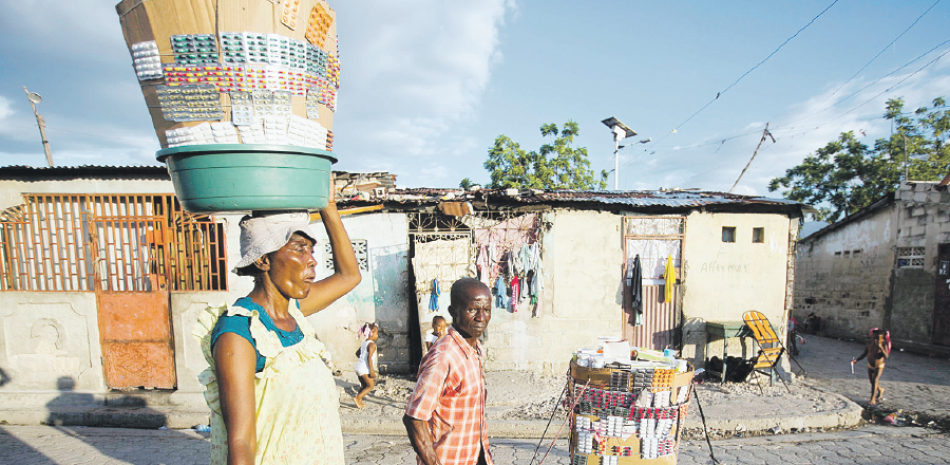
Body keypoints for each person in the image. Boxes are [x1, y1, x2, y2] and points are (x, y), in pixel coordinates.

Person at [193, 191, 361, 465]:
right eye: (298, 248)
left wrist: (329, 206)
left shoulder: (293, 312)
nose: (312, 259)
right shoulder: (240, 332)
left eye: (311, 249)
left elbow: (349, 275)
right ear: (263, 260)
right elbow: (241, 442)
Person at [403, 278, 493, 465]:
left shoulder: (473, 350)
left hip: (474, 454)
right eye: (472, 310)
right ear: (453, 312)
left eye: (486, 310)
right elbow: (414, 418)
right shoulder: (444, 356)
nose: (481, 317)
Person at [852, 328, 891, 406]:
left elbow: (886, 356)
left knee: (875, 380)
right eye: (874, 337)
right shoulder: (869, 344)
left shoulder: (883, 344)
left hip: (879, 366)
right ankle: (880, 389)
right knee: (872, 381)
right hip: (870, 365)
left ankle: (872, 399)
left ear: (882, 338)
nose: (875, 340)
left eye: (877, 338)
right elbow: (864, 353)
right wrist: (856, 360)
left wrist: (880, 348)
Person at [354, 322, 379, 409]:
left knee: (363, 386)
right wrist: (371, 370)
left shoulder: (365, 343)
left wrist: (361, 359)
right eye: (377, 333)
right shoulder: (372, 344)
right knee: (370, 386)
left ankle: (359, 402)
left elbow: (357, 353)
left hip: (358, 368)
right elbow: (369, 358)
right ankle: (357, 398)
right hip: (365, 369)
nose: (377, 335)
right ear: (372, 333)